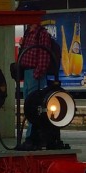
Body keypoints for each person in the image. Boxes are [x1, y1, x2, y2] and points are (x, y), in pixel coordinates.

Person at [18, 19, 56, 148]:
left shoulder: (42, 34)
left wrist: (38, 72)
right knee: (29, 106)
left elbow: (44, 54)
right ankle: (31, 137)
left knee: (34, 106)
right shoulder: (28, 33)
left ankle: (32, 137)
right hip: (28, 72)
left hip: (35, 73)